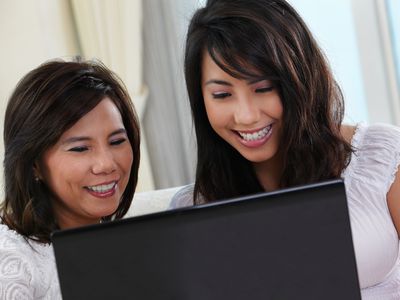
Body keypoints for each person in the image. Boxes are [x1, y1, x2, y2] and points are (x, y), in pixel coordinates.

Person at [170, 0, 400, 298]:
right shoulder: (193, 209)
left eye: (263, 88)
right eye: (222, 94)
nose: (246, 116)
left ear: (299, 79)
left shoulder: (380, 158)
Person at [0, 59, 140, 299]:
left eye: (117, 141)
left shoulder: (137, 247)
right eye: (80, 149)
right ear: (34, 164)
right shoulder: (11, 261)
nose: (107, 164)